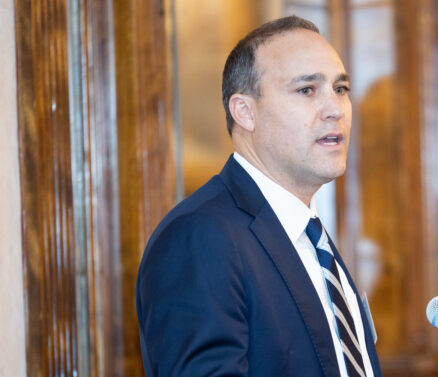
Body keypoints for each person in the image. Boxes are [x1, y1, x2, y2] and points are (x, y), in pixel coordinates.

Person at [136, 15, 382, 377]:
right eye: (307, 90)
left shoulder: (312, 238)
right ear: (245, 112)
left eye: (340, 89)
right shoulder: (200, 238)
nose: (335, 109)